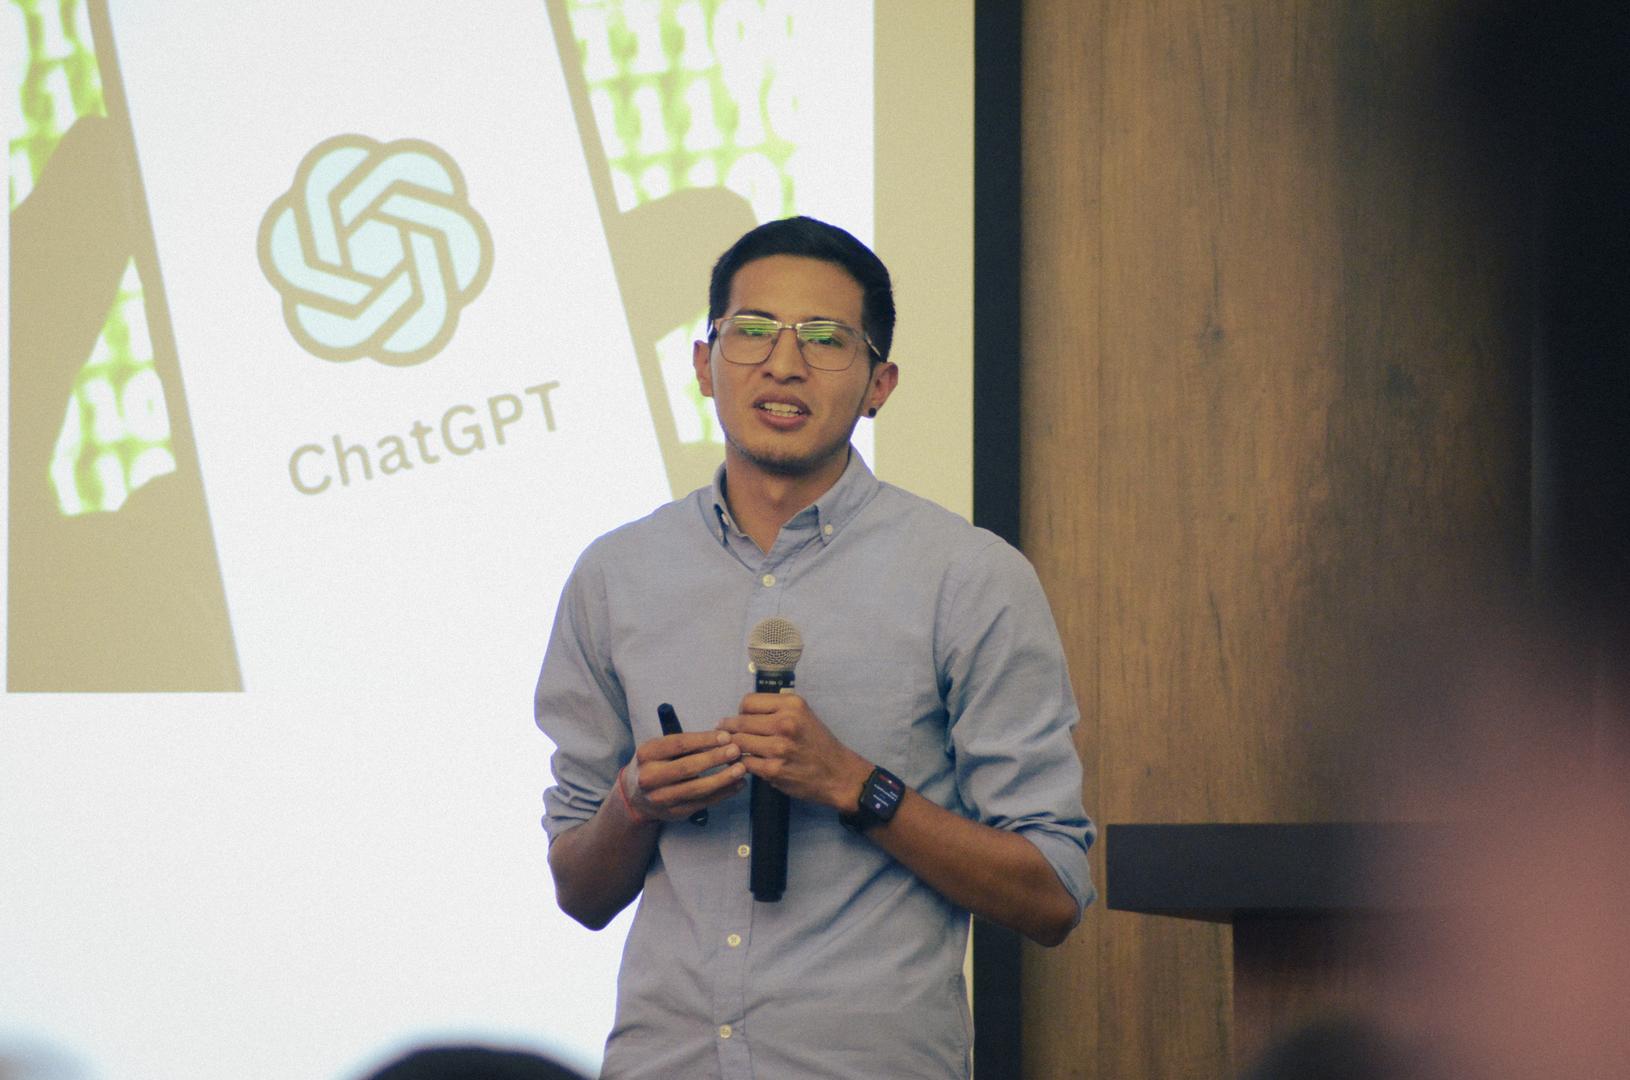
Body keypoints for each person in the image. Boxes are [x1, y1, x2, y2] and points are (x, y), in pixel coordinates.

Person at [534, 216, 1095, 1078]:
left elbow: (1052, 894)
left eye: (827, 339)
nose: (783, 364)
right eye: (752, 330)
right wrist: (634, 804)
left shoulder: (968, 576)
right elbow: (580, 891)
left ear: (879, 385)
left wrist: (855, 785)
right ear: (703, 365)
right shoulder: (617, 575)